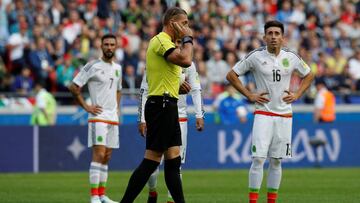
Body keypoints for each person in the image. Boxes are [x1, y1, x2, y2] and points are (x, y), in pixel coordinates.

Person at [226, 20, 314, 203]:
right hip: (263, 114)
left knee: (276, 160)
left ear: (283, 37)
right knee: (258, 159)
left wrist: (297, 94)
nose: (273, 37)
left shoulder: (292, 57)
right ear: (264, 36)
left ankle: (272, 201)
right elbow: (231, 75)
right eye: (270, 33)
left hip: (284, 115)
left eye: (277, 33)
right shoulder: (255, 56)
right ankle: (253, 200)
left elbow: (309, 74)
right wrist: (249, 94)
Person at [119, 7, 193, 203]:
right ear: (172, 23)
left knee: (173, 159)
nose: (187, 27)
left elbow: (163, 75)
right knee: (151, 161)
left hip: (169, 103)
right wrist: (188, 38)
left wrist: (179, 87)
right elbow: (186, 59)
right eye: (184, 23)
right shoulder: (160, 40)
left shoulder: (169, 44)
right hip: (161, 104)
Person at [138, 62, 205, 203]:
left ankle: (171, 201)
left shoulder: (188, 64)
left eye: (180, 42)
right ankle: (152, 192)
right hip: (158, 115)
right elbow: (145, 90)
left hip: (180, 117)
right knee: (153, 163)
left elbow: (196, 89)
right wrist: (142, 119)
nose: (178, 45)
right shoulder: (157, 60)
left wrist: (199, 114)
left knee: (176, 165)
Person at [68, 33, 122, 203]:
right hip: (97, 116)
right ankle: (94, 197)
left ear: (116, 47)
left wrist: (117, 109)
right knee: (98, 154)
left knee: (107, 156)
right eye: (106, 44)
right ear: (101, 46)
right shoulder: (92, 65)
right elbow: (73, 86)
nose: (109, 47)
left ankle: (102, 195)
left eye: (112, 44)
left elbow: (118, 90)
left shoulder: (118, 68)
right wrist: (86, 107)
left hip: (112, 117)